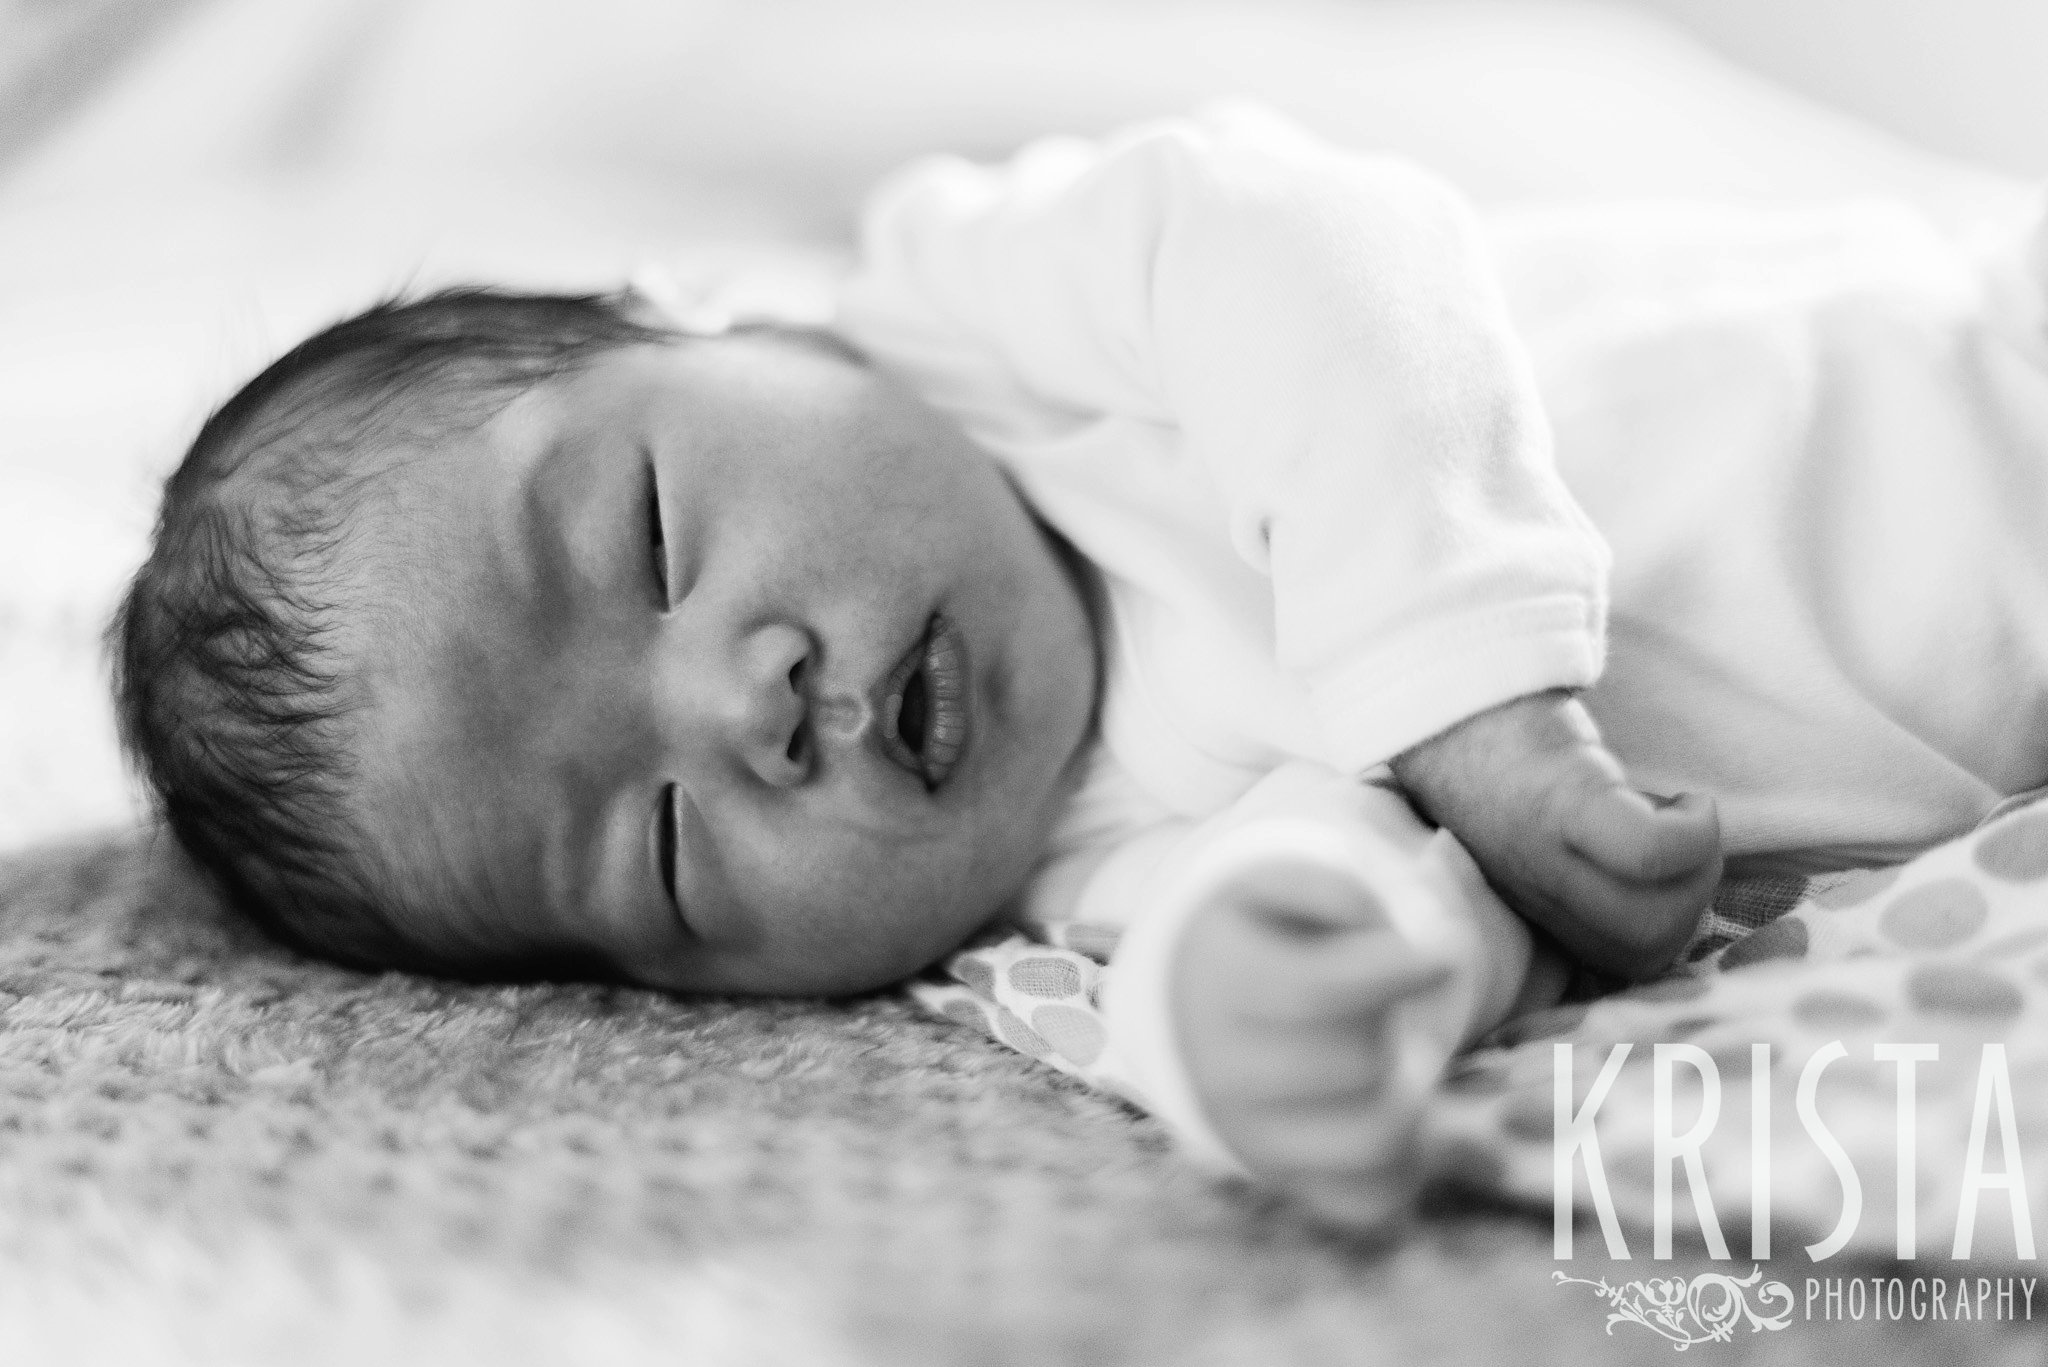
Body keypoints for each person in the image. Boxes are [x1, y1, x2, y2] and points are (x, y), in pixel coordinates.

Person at [111, 104, 2048, 1227]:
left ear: (708, 322)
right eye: (668, 847)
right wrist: (1278, 1015)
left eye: (650, 545)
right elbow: (1384, 885)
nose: (743, 706)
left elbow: (1307, 240)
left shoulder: (997, 312)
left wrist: (1472, 697)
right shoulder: (1064, 891)